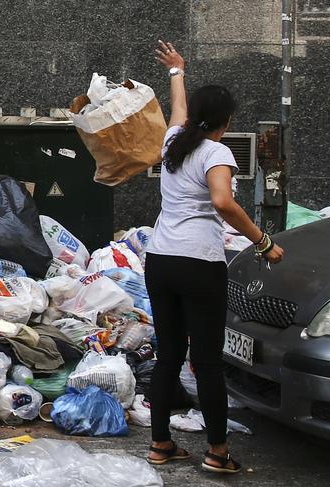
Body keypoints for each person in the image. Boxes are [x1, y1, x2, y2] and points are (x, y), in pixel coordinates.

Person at [145, 40, 284, 474]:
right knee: (206, 359)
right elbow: (223, 203)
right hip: (198, 263)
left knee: (168, 354)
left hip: (160, 260)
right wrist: (263, 242)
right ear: (225, 123)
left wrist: (176, 72)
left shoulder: (174, 142)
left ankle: (160, 444)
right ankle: (218, 452)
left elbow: (177, 113)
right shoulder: (217, 152)